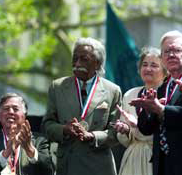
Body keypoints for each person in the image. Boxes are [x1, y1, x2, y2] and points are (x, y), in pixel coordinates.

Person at [131, 31, 182, 175]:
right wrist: (148, 108)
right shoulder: (162, 87)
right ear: (162, 58)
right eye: (166, 51)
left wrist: (162, 109)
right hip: (163, 164)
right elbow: (146, 129)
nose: (171, 55)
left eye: (176, 50)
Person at [42, 37, 122, 175]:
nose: (77, 63)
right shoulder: (58, 87)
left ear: (97, 64)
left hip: (98, 167)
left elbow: (115, 133)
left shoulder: (112, 90)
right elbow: (47, 125)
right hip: (67, 165)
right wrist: (64, 130)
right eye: (75, 58)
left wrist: (92, 136)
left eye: (84, 59)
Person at [113, 47, 167, 175]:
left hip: (159, 158)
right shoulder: (129, 95)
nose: (148, 69)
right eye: (145, 64)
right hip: (133, 158)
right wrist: (125, 130)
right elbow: (125, 140)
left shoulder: (168, 95)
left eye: (154, 65)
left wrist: (138, 126)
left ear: (165, 72)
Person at [0, 93, 54, 175]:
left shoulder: (40, 140)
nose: (10, 112)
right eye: (6, 109)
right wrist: (6, 152)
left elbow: (49, 171)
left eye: (15, 109)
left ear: (24, 116)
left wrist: (29, 149)